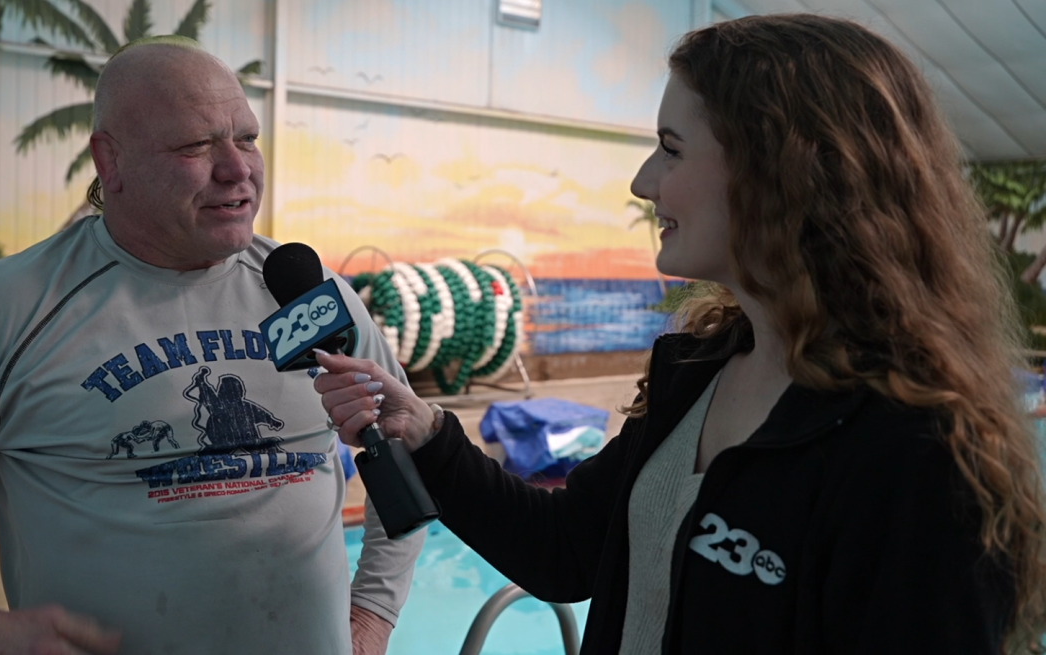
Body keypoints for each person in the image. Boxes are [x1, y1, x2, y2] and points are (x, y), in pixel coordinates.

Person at [314, 13, 1046, 655]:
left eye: (671, 147)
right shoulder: (694, 371)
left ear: (777, 170)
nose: (642, 179)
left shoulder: (918, 449)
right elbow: (568, 549)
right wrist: (429, 433)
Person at [0, 36, 423, 655]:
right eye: (196, 144)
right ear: (111, 161)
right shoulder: (7, 307)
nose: (237, 168)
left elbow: (405, 451)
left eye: (247, 139)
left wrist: (373, 614)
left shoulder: (311, 295)